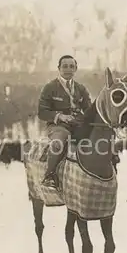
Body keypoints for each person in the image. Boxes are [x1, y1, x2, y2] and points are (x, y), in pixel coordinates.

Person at [38, 55, 92, 190]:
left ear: (76, 69)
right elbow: (42, 112)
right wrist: (60, 116)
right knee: (60, 141)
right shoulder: (50, 87)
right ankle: (49, 175)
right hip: (58, 126)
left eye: (72, 67)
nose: (68, 69)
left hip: (78, 125)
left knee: (97, 140)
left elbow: (89, 111)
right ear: (59, 68)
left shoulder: (81, 89)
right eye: (65, 66)